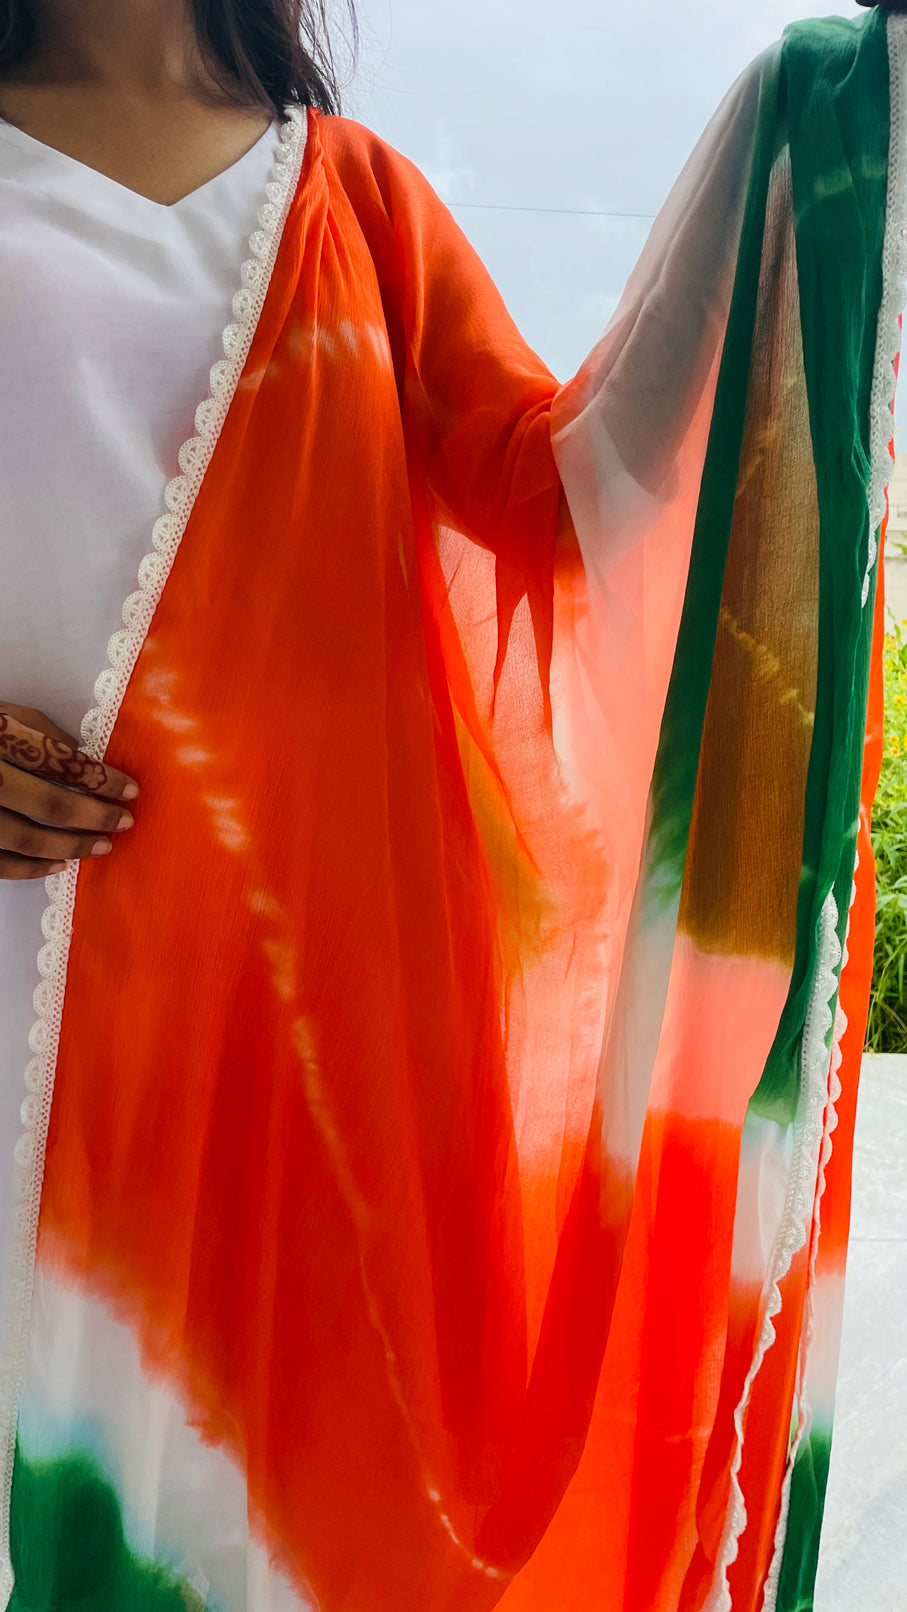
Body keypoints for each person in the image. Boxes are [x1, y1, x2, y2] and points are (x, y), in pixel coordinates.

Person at [0, 1, 899, 1607]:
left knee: (252, 1535)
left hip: (293, 1060)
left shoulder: (352, 201)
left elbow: (575, 490)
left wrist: (802, 131)